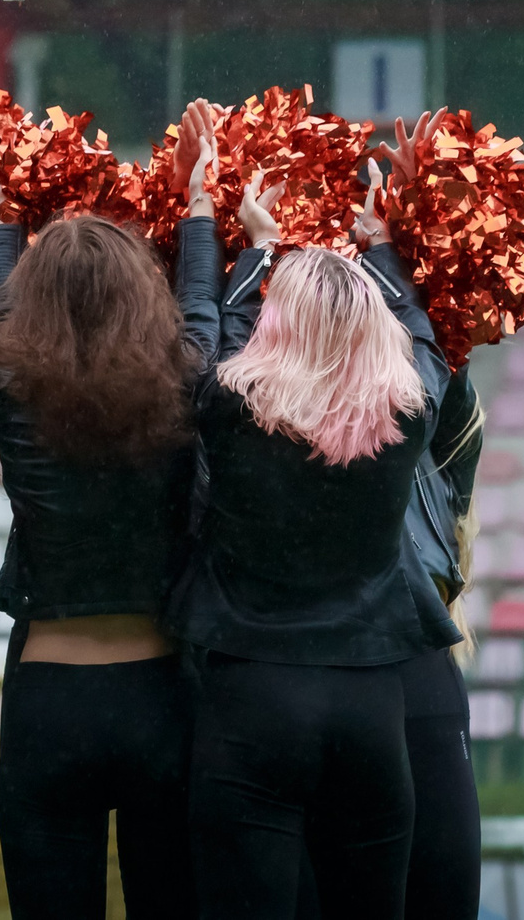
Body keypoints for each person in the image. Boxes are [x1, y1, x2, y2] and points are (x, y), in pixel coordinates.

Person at [0, 109, 222, 920]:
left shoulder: (14, 388)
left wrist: (2, 219)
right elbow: (199, 306)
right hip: (162, 697)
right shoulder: (183, 376)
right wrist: (199, 210)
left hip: (50, 703)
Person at [171, 167, 443, 920]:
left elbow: (219, 341)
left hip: (251, 701)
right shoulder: (408, 416)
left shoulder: (230, 406)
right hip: (369, 706)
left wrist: (255, 250)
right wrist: (379, 247)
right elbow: (421, 336)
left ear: (277, 321)